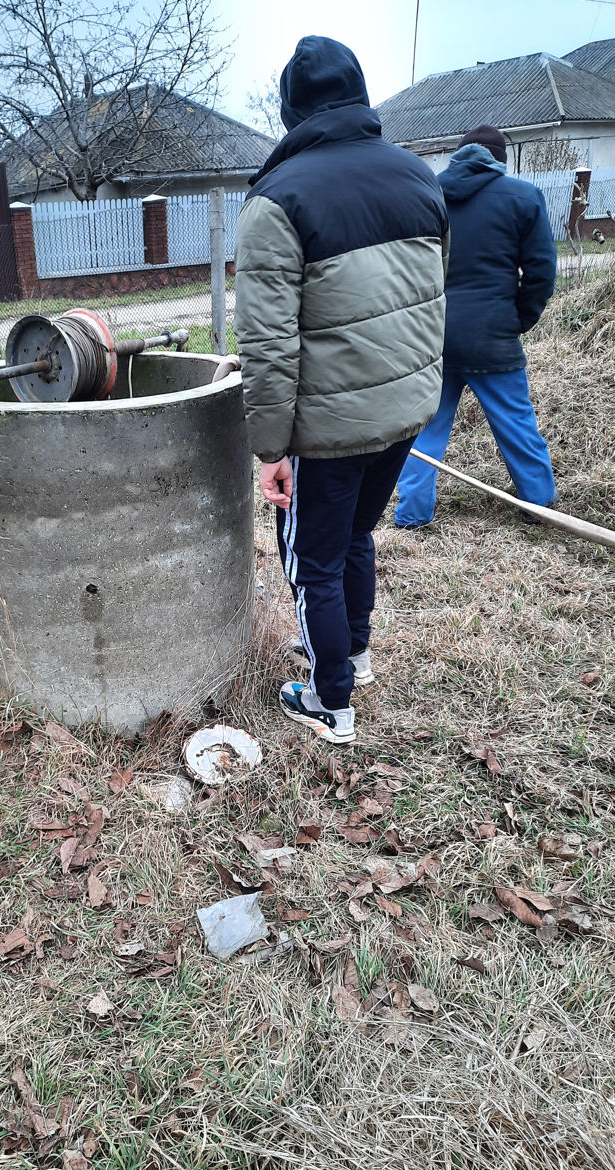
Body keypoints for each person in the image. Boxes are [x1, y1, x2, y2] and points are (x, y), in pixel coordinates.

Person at [234, 35, 449, 746]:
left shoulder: (279, 200)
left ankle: (331, 702)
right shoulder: (419, 178)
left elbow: (267, 343)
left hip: (328, 429)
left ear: (292, 111)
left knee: (312, 562)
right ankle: (351, 656)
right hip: (404, 412)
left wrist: (271, 448)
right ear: (359, 97)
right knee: (356, 536)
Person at [394, 125, 557, 528]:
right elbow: (541, 271)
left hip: (434, 337)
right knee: (516, 423)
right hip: (493, 337)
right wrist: (519, 319)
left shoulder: (427, 195)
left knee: (425, 426)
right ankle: (539, 506)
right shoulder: (523, 197)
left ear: (458, 154)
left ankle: (412, 513)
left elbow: (406, 269)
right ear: (499, 161)